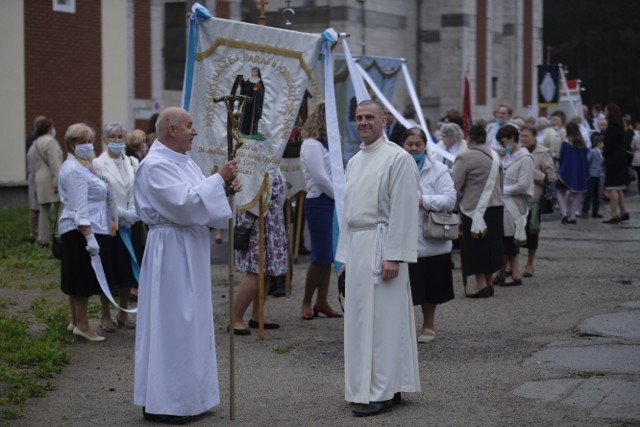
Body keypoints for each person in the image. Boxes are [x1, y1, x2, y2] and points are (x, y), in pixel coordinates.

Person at [133, 107, 240, 424]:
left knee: (192, 322)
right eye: (189, 125)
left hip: (190, 248)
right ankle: (167, 400)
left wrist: (222, 188)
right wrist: (218, 178)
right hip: (171, 251)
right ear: (170, 128)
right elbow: (183, 204)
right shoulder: (154, 165)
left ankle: (191, 397)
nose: (194, 131)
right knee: (173, 323)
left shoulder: (185, 162)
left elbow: (202, 200)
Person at [336, 100, 420, 417]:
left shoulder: (398, 158)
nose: (363, 122)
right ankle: (378, 384)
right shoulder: (355, 160)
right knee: (360, 322)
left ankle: (381, 389)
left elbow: (403, 209)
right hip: (358, 247)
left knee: (384, 322)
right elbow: (349, 212)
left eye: (370, 117)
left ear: (384, 119)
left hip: (383, 248)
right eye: (358, 117)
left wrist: (394, 256)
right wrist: (345, 255)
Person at [58, 123, 118, 343]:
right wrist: (89, 236)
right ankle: (83, 325)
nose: (87, 145)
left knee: (76, 276)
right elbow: (79, 206)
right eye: (82, 142)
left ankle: (76, 322)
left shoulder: (84, 166)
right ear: (72, 144)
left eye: (89, 141)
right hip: (80, 230)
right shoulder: (75, 170)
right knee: (80, 278)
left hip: (83, 228)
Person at [401, 128, 456, 343]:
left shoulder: (439, 169)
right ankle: (404, 327)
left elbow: (450, 199)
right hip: (403, 235)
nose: (414, 148)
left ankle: (429, 325)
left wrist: (424, 200)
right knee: (404, 288)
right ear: (402, 145)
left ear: (425, 146)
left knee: (431, 288)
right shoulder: (394, 167)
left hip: (431, 236)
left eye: (418, 144)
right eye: (410, 144)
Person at [92, 122, 140, 331]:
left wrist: (133, 213)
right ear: (105, 139)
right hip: (109, 224)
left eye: (121, 136)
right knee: (109, 268)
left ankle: (123, 313)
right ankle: (105, 314)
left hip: (132, 223)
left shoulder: (132, 162)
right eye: (113, 137)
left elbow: (138, 190)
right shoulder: (97, 164)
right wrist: (120, 214)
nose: (118, 141)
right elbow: (100, 194)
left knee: (127, 268)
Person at [232, 168, 288, 335]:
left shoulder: (271, 160)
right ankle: (236, 318)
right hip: (258, 222)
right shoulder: (253, 162)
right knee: (255, 272)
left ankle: (257, 315)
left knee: (266, 270)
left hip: (272, 221)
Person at [299, 101, 341, 320]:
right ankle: (307, 301)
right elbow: (321, 178)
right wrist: (342, 198)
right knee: (320, 255)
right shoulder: (311, 144)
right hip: (319, 202)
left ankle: (322, 301)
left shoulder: (329, 143)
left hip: (331, 200)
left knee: (329, 256)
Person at [451, 124, 504, 298]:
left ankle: (480, 285)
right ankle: (488, 284)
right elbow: (501, 183)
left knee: (476, 247)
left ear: (469, 138)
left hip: (474, 209)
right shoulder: (496, 155)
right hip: (496, 206)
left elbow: (455, 186)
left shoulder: (464, 157)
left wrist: (454, 208)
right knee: (490, 247)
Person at [493, 125, 534, 287]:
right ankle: (501, 272)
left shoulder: (525, 158)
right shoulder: (507, 156)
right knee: (504, 239)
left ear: (511, 138)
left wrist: (503, 189)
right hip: (504, 204)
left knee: (510, 239)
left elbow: (523, 185)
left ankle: (516, 274)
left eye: (503, 141)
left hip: (515, 204)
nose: (502, 145)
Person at [519, 125, 557, 278]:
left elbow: (552, 176)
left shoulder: (543, 152)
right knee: (512, 233)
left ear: (535, 137)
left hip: (534, 200)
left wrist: (530, 172)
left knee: (532, 233)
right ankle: (510, 264)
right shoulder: (517, 152)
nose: (523, 139)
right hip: (516, 199)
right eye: (521, 136)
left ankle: (530, 263)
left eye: (526, 136)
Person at [28, 118, 63, 247]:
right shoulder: (51, 142)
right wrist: (57, 182)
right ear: (49, 128)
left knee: (43, 209)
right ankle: (60, 235)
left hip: (39, 178)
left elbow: (30, 160)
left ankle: (43, 238)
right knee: (61, 206)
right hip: (50, 179)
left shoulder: (35, 143)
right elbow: (55, 164)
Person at [602, 103, 631, 223]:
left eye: (606, 111)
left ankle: (614, 214)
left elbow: (609, 145)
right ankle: (623, 211)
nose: (604, 113)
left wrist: (604, 151)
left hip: (613, 160)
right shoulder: (620, 127)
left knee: (612, 187)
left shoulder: (612, 128)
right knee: (618, 187)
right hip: (620, 158)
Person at [556, 122, 589, 224]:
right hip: (578, 172)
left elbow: (561, 158)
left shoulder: (565, 143)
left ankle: (564, 213)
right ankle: (573, 216)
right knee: (576, 194)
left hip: (566, 171)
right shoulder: (582, 144)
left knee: (560, 191)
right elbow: (585, 158)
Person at [582, 134, 605, 219]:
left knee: (596, 194)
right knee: (589, 193)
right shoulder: (593, 151)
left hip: (598, 175)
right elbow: (587, 161)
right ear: (598, 143)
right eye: (602, 142)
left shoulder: (601, 152)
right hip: (591, 175)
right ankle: (585, 210)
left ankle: (595, 211)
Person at [240, 66, 265, 136]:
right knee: (245, 116)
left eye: (256, 71)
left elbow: (260, 92)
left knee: (252, 118)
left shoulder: (259, 81)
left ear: (258, 73)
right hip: (247, 102)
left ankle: (251, 132)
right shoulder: (249, 80)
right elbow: (245, 89)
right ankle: (243, 131)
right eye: (253, 71)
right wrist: (242, 82)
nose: (254, 73)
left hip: (254, 103)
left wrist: (257, 91)